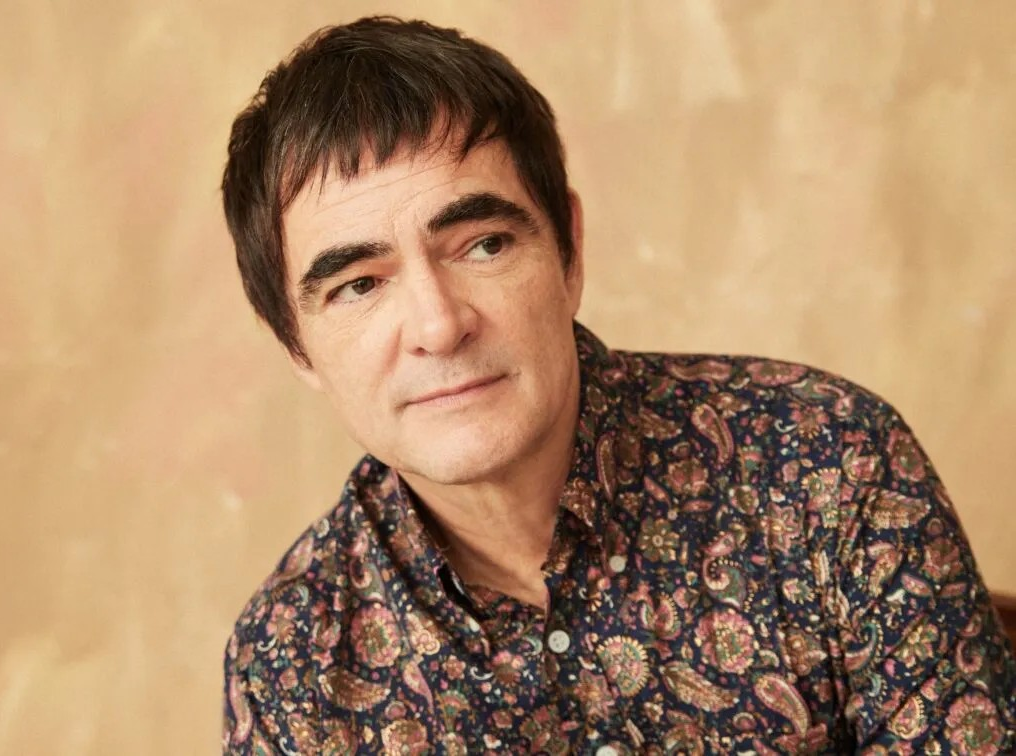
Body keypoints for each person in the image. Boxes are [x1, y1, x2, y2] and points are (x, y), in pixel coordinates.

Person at [219, 16, 1015, 755]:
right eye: (358, 285)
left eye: (484, 244)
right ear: (295, 344)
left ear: (568, 251)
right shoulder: (292, 662)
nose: (439, 324)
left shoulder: (829, 466)